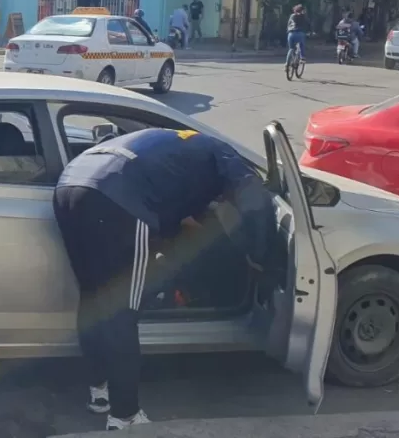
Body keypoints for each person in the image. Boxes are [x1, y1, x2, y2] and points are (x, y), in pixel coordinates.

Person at [53, 127, 266, 431]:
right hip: (118, 199)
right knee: (122, 313)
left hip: (69, 186)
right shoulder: (226, 156)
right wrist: (259, 253)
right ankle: (124, 415)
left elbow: (171, 210)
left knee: (92, 298)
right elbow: (253, 197)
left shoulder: (176, 146)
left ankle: (98, 394)